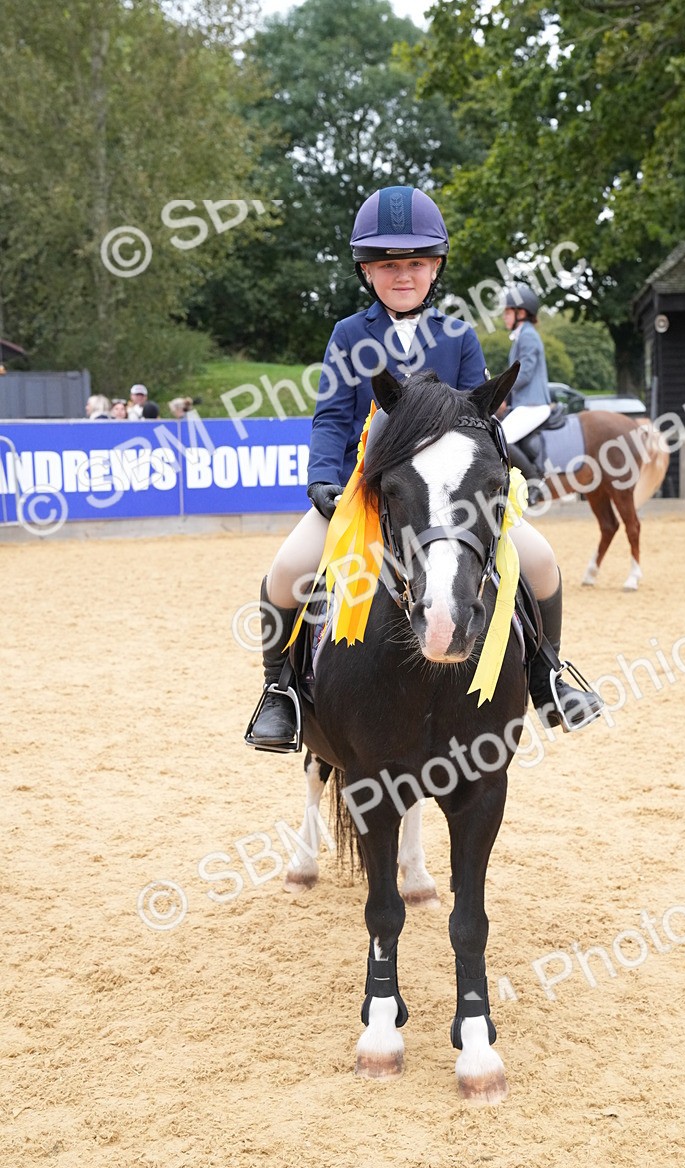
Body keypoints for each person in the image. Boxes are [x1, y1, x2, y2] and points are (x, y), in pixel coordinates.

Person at [245, 185, 602, 752]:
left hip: (451, 501)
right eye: (388, 265)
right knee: (286, 571)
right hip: (363, 497)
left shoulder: (457, 337)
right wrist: (323, 481)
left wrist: (498, 482)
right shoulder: (348, 335)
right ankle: (279, 693)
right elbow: (332, 418)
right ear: (366, 271)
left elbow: (481, 420)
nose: (403, 275)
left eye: (415, 263)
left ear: (435, 268)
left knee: (541, 561)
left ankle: (547, 677)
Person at [498, 284, 552, 501]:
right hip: (524, 402)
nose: (504, 317)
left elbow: (525, 374)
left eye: (507, 312)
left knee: (501, 438)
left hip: (534, 404)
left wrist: (500, 392)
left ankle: (534, 482)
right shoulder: (522, 335)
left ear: (521, 313)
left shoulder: (527, 336)